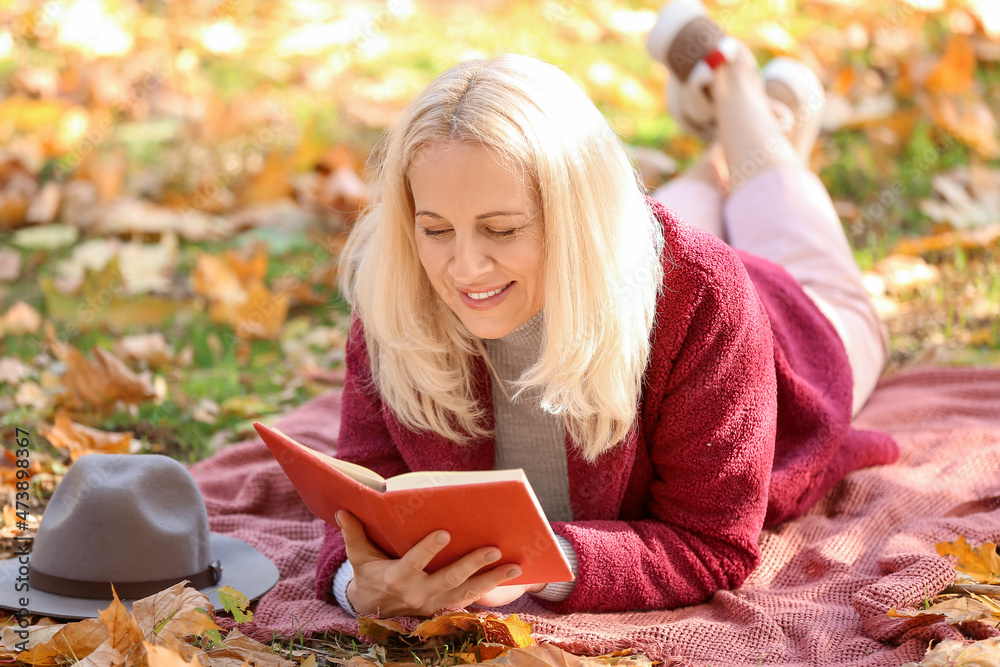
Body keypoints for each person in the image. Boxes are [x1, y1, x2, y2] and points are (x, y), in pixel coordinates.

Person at [315, 0, 899, 618]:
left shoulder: (705, 296)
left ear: (578, 221)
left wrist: (537, 566)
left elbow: (710, 541)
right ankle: (733, 137)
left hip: (783, 326)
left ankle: (736, 80)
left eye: (502, 230)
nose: (463, 268)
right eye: (435, 229)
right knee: (686, 198)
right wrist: (357, 587)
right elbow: (361, 493)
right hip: (612, 259)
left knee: (776, 194)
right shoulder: (403, 284)